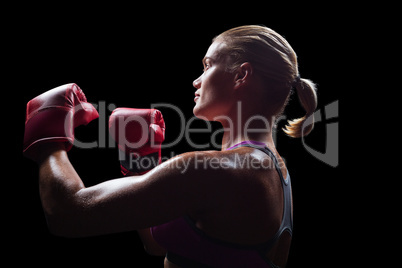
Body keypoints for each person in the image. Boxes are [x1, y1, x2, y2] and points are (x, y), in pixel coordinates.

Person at [24, 25, 317, 267]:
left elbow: (67, 213)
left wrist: (49, 138)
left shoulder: (218, 170)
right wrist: (141, 163)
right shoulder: (275, 171)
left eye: (207, 65)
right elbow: (158, 243)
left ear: (241, 74)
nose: (196, 80)